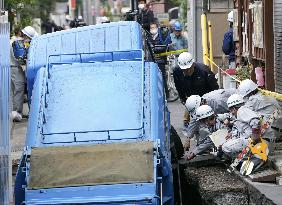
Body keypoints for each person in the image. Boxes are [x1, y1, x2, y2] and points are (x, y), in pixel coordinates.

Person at [10, 26, 38, 121]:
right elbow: (21, 58)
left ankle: (17, 111)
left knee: (16, 90)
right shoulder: (17, 42)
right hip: (15, 68)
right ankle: (17, 113)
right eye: (27, 37)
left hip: (14, 68)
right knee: (19, 89)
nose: (27, 39)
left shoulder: (13, 40)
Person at [221, 94, 261, 158]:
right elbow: (241, 127)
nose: (231, 113)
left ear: (233, 109)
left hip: (252, 141)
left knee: (225, 147)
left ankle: (252, 158)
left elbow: (255, 121)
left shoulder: (241, 111)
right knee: (227, 142)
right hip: (247, 139)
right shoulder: (242, 112)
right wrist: (231, 134)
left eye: (230, 110)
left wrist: (255, 138)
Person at [149, 22, 171, 97]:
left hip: (161, 61)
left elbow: (164, 47)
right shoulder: (149, 37)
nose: (152, 29)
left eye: (154, 27)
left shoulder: (161, 36)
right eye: (151, 28)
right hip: (152, 61)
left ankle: (166, 94)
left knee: (162, 78)